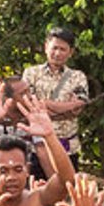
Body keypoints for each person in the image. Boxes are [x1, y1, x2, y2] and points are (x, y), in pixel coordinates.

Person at [20, 28, 90, 159]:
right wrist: (68, 107)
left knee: (67, 179)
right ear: (46, 47)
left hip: (67, 146)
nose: (57, 53)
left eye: (63, 49)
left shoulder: (77, 77)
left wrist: (45, 105)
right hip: (36, 146)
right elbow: (29, 106)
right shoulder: (31, 73)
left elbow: (80, 106)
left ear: (71, 52)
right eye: (54, 48)